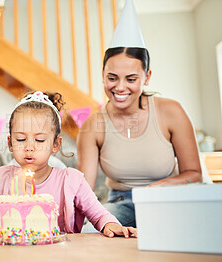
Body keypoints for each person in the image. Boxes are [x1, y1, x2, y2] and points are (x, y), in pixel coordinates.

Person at [0, 91, 137, 240]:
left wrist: (112, 225)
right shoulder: (3, 178)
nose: (29, 148)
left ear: (55, 144)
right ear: (10, 143)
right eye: (21, 139)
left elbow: (98, 213)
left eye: (40, 140)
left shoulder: (71, 181)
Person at [77, 0, 201, 228]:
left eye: (131, 79)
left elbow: (194, 174)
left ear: (147, 77)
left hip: (169, 200)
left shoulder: (171, 112)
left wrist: (159, 188)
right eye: (112, 78)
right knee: (91, 232)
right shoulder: (91, 126)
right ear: (103, 75)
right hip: (120, 204)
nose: (120, 87)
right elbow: (83, 190)